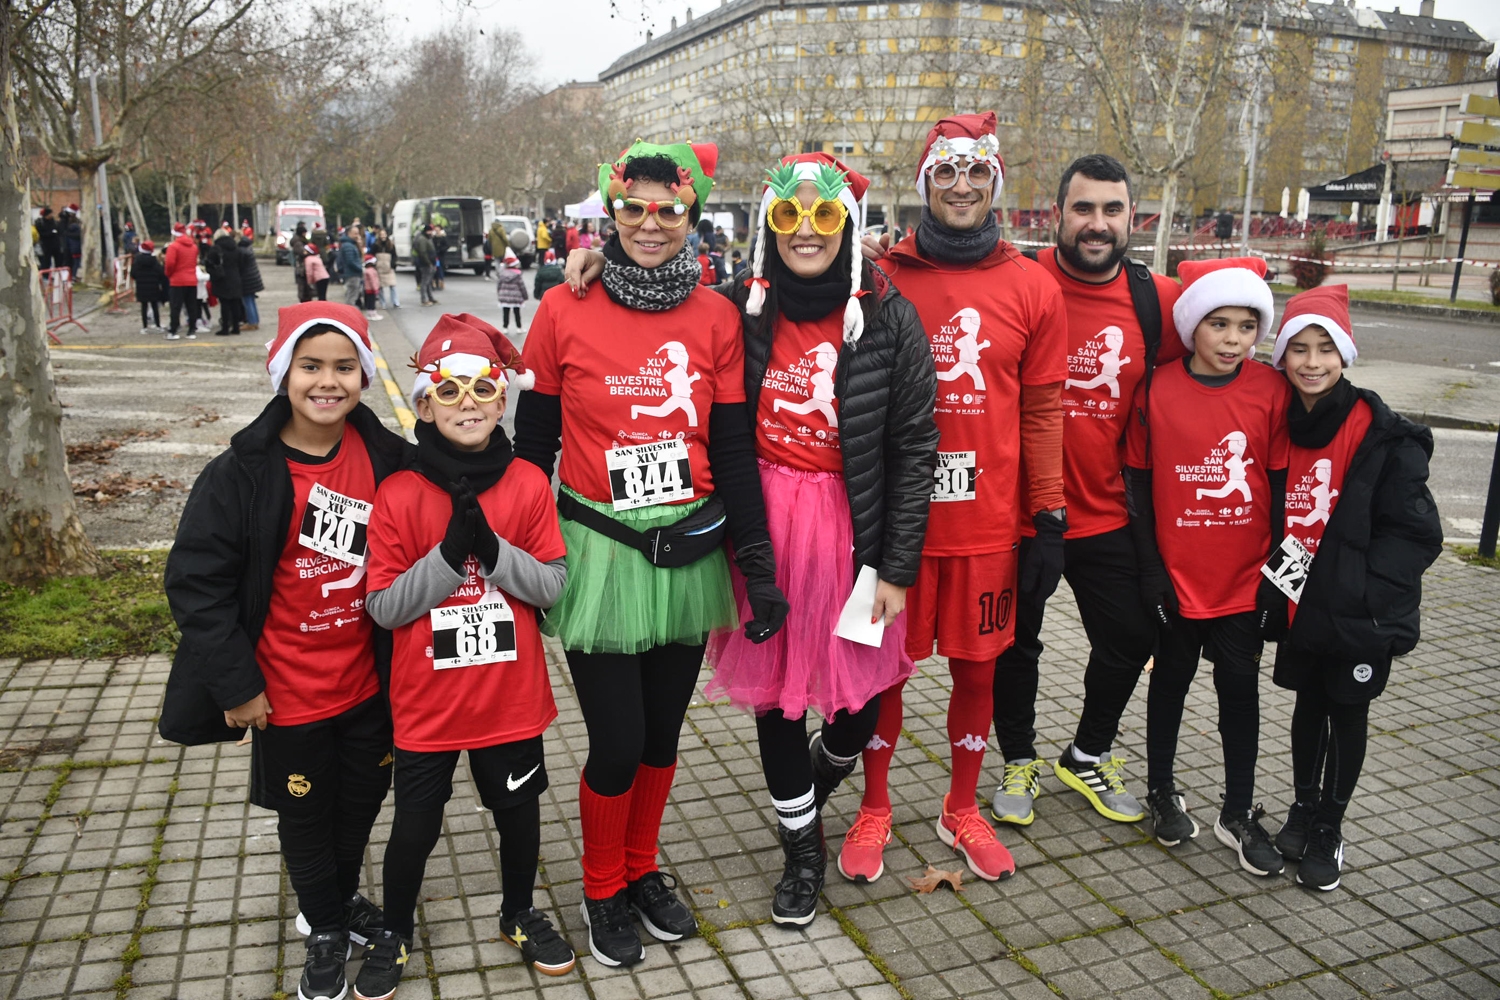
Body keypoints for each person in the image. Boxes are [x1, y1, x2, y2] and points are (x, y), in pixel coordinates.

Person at [514, 140, 785, 968]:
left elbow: (733, 447)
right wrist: (509, 559)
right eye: (632, 207)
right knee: (618, 740)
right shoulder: (563, 306)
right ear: (610, 212)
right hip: (601, 554)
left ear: (692, 215)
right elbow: (531, 446)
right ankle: (601, 884)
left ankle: (639, 868)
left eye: (669, 209)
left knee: (664, 737)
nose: (649, 223)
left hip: (689, 553)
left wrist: (759, 563)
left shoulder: (716, 317)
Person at [703, 154, 937, 925]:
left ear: (850, 225)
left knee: (859, 705)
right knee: (779, 700)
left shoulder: (891, 314)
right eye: (789, 215)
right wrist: (594, 263)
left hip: (857, 534)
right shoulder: (740, 305)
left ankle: (810, 784)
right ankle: (801, 852)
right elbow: (661, 312)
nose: (806, 231)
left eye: (825, 216)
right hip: (765, 533)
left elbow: (915, 447)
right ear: (769, 223)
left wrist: (897, 564)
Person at [160, 303, 412, 1000]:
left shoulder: (389, 458)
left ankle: (331, 899)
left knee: (361, 801)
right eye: (310, 367)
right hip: (285, 692)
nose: (327, 382)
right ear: (284, 373)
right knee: (305, 811)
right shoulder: (240, 472)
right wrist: (238, 687)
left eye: (343, 367)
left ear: (363, 374)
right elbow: (195, 586)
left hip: (371, 683)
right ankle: (325, 926)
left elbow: (465, 481)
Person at [847, 113, 1067, 885]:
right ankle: (875, 806)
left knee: (979, 674)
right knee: (882, 678)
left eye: (977, 172)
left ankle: (961, 807)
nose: (963, 185)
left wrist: (1051, 515)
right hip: (896, 529)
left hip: (987, 529)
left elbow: (1042, 410)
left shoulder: (1033, 284)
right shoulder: (880, 275)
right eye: (946, 172)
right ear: (926, 183)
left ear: (996, 182)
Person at [359, 316, 573, 996]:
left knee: (519, 815)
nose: (468, 402)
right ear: (423, 404)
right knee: (415, 826)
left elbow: (553, 587)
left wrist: (496, 553)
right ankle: (393, 929)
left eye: (482, 387)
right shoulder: (396, 494)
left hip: (508, 700)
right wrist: (451, 558)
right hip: (426, 705)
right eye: (448, 391)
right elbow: (385, 607)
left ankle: (517, 912)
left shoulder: (529, 485)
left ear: (502, 398)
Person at [988, 155, 1186, 830]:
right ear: (1056, 216)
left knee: (1131, 636)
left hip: (1106, 512)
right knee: (1015, 646)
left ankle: (1088, 751)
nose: (1096, 224)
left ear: (1135, 218)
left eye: (1112, 210)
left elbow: (1222, 362)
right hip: (1019, 512)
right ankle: (1018, 756)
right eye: (1083, 209)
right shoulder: (1016, 276)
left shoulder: (1156, 301)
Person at [1262, 285, 1441, 891]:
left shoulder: (1386, 436)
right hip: (1302, 604)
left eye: (1326, 349)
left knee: (1348, 710)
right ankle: (1303, 807)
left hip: (1358, 610)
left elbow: (1416, 535)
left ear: (1345, 355)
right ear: (1282, 357)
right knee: (1308, 705)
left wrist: (1367, 598)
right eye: (1299, 350)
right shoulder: (1283, 421)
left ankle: (1330, 827)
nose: (1312, 363)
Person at [1123, 256, 1290, 876]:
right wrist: (1150, 570)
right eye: (1218, 324)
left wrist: (1276, 578)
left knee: (1238, 693)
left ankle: (1239, 811)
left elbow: (1279, 486)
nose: (1232, 340)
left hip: (1243, 580)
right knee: (1169, 683)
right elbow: (1138, 485)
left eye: (1247, 326)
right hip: (1176, 576)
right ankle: (1162, 790)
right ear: (1192, 325)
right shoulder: (1157, 387)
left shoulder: (1270, 390)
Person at [164, 222, 201, 341]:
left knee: (175, 307)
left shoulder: (173, 247)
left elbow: (169, 264)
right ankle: (191, 331)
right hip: (191, 279)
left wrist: (168, 274)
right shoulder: (194, 246)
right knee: (192, 306)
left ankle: (173, 330)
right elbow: (194, 262)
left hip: (177, 280)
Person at [208, 229, 244, 336]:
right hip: (235, 277)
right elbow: (241, 263)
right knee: (235, 304)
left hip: (222, 278)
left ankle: (225, 328)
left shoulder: (216, 249)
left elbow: (209, 263)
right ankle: (236, 327)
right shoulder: (235, 247)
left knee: (225, 304)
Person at [131, 239, 167, 334]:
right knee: (155, 306)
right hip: (154, 287)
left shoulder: (137, 261)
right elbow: (161, 273)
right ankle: (157, 325)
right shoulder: (154, 261)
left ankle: (145, 326)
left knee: (144, 307)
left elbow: (133, 273)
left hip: (141, 287)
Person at [237, 229, 265, 331]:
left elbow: (239, 266)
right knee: (251, 301)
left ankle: (251, 322)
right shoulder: (248, 248)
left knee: (247, 301)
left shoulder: (241, 251)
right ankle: (255, 321)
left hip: (247, 279)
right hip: (253, 278)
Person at [494, 247, 527, 329]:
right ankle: (519, 327)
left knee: (505, 312)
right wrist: (525, 296)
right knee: (517, 312)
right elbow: (521, 286)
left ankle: (505, 327)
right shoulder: (518, 275)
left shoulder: (502, 274)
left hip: (504, 296)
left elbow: (499, 285)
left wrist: (499, 293)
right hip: (516, 297)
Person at [373, 229, 399, 309]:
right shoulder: (375, 245)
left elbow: (394, 256)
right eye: (381, 234)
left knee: (393, 285)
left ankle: (395, 302)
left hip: (389, 268)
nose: (383, 236)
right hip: (379, 268)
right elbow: (372, 255)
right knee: (380, 287)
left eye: (384, 234)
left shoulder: (391, 245)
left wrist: (392, 265)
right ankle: (382, 303)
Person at [413, 224, 438, 306]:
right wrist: (429, 263)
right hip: (426, 264)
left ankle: (430, 298)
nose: (431, 232)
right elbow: (423, 252)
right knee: (425, 282)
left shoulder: (427, 238)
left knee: (428, 282)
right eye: (430, 231)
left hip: (430, 263)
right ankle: (424, 299)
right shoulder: (423, 239)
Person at [36, 206, 66, 272]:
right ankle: (45, 275)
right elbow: (41, 233)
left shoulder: (54, 222)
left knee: (58, 261)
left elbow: (59, 231)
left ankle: (58, 274)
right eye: (50, 214)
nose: (51, 215)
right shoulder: (41, 223)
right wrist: (51, 233)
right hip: (46, 245)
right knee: (46, 261)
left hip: (56, 245)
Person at [339, 228, 364, 306]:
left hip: (353, 273)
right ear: (349, 233)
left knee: (352, 295)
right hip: (352, 274)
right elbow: (350, 261)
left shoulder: (350, 244)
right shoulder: (348, 246)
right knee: (351, 296)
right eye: (355, 233)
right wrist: (361, 269)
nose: (357, 235)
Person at [292, 223, 312, 303]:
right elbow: (303, 253)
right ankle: (304, 299)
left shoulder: (299, 241)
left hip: (302, 266)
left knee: (305, 285)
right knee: (303, 286)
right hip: (302, 267)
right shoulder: (298, 243)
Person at [361, 255, 384, 320]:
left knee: (369, 302)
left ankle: (370, 313)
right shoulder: (371, 271)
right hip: (371, 289)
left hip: (367, 289)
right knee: (372, 302)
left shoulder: (367, 270)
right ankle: (372, 314)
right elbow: (373, 280)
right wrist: (376, 288)